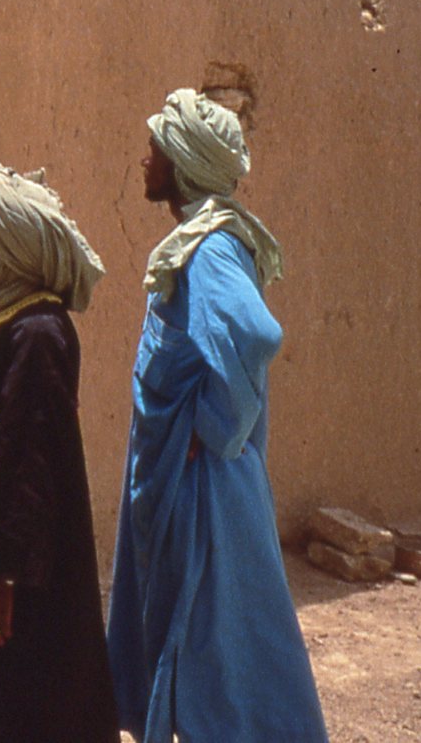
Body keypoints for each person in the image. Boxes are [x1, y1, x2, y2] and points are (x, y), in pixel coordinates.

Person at [106, 89, 329, 743]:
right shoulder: (197, 242)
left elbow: (254, 333)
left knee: (220, 657)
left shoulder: (210, 248)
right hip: (185, 480)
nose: (144, 160)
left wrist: (213, 427)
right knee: (204, 647)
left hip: (203, 489)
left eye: (155, 149)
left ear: (183, 164)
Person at [0, 163, 119, 743]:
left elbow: (27, 468)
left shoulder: (38, 335)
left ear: (8, 251)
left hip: (22, 588)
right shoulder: (10, 325)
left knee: (18, 710)